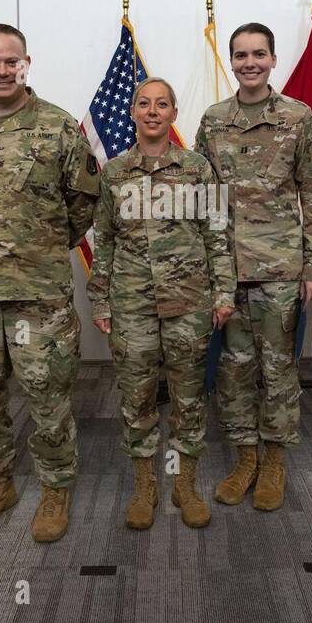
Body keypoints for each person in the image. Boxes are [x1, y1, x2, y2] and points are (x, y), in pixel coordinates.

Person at [0, 24, 101, 543]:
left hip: (38, 294)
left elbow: (83, 206)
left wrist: (37, 247)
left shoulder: (57, 128)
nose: (2, 71)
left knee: (47, 393)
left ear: (26, 63)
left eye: (12, 62)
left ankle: (56, 488)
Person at [194, 22, 312, 512]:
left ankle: (274, 461)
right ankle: (245, 456)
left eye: (258, 54)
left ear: (273, 60)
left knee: (277, 370)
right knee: (233, 371)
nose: (249, 62)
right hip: (227, 270)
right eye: (240, 55)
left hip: (280, 269)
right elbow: (200, 196)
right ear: (231, 61)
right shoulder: (213, 121)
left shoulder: (299, 117)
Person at [87, 78, 236, 530]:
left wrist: (224, 291)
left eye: (162, 104)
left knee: (189, 398)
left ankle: (186, 483)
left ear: (173, 114)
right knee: (136, 398)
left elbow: (217, 232)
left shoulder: (198, 169)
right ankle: (144, 484)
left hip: (188, 302)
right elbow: (105, 240)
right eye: (143, 104)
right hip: (131, 303)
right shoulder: (112, 172)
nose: (152, 112)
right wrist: (100, 300)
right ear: (132, 112)